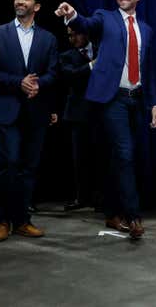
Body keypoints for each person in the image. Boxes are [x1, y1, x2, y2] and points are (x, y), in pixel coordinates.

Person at [54, 0, 156, 240]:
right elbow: (85, 23)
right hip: (113, 99)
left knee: (119, 159)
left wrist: (154, 103)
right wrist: (71, 15)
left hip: (136, 99)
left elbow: (149, 70)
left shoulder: (146, 29)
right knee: (125, 154)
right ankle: (133, 216)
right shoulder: (105, 18)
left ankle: (112, 212)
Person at [0, 0, 58, 242]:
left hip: (35, 112)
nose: (20, 1)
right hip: (6, 111)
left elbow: (53, 73)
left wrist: (39, 84)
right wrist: (18, 82)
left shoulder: (48, 38)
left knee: (29, 168)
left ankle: (22, 220)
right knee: (8, 166)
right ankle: (3, 220)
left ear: (36, 7)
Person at [59, 26, 100, 212]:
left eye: (75, 34)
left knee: (101, 156)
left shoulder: (101, 49)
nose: (72, 39)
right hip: (78, 115)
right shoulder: (66, 56)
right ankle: (81, 197)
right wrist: (92, 65)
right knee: (80, 158)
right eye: (69, 35)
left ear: (86, 33)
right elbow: (71, 76)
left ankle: (100, 198)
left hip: (101, 112)